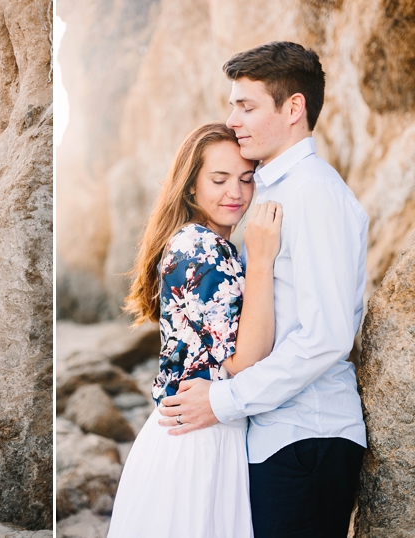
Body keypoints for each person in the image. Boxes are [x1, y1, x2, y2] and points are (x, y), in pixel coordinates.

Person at [158, 42, 368, 538]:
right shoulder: (271, 190)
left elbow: (328, 336)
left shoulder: (313, 192)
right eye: (233, 105)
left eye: (246, 106)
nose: (233, 119)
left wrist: (223, 401)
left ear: (293, 108)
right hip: (275, 436)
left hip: (307, 438)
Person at [107, 122, 283, 537]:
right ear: (190, 188)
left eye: (246, 179)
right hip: (200, 438)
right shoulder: (203, 246)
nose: (235, 193)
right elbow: (245, 361)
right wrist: (261, 261)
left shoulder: (195, 242)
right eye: (219, 179)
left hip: (191, 430)